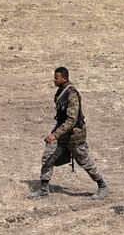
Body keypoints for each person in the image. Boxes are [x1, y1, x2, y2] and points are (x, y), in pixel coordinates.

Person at [27, 67, 108, 200]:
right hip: (61, 134)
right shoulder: (61, 92)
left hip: (74, 136)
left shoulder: (72, 94)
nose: (54, 80)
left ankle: (102, 186)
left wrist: (54, 135)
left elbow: (72, 120)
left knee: (84, 161)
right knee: (48, 157)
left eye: (56, 78)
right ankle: (43, 189)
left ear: (64, 79)